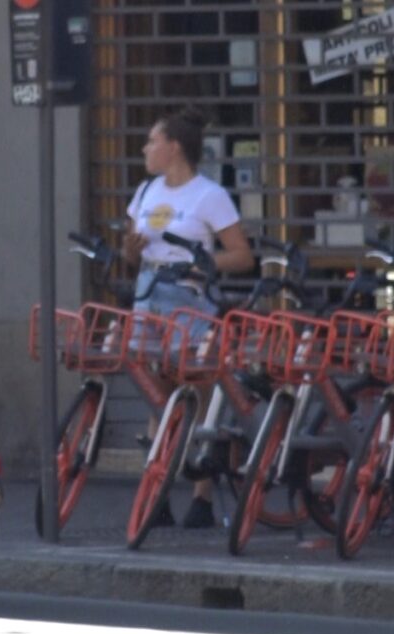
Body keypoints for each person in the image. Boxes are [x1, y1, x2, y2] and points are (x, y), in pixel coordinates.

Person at [122, 107, 254, 528]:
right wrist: (130, 250)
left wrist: (204, 264)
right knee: (156, 393)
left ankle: (201, 497)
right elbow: (129, 252)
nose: (145, 149)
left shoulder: (208, 195)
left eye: (152, 141)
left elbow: (242, 255)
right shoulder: (146, 191)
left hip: (189, 297)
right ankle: (157, 492)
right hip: (149, 292)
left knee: (196, 389)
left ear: (174, 147)